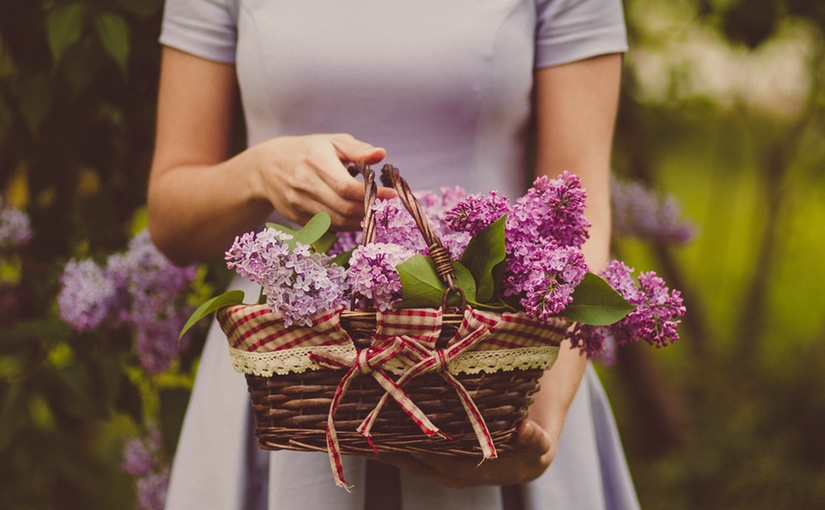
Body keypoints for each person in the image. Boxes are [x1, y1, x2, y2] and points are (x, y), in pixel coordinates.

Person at [147, 0, 639, 508]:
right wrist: (257, 173)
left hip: (495, 365)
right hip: (288, 364)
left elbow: (578, 213)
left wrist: (540, 422)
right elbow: (171, 217)